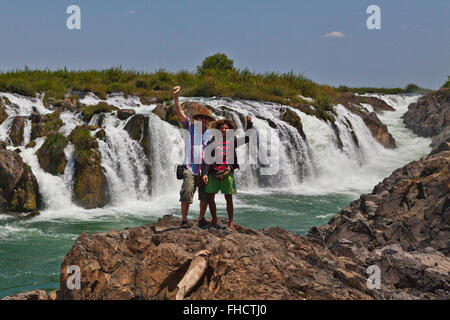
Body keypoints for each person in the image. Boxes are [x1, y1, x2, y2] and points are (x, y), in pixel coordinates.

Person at [173, 85, 215, 228]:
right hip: (190, 168)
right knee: (187, 192)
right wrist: (176, 96)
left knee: (204, 197)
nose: (202, 121)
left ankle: (201, 219)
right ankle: (184, 220)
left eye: (205, 119)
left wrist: (208, 172)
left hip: (203, 170)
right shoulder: (190, 127)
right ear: (196, 119)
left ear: (207, 121)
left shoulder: (210, 134)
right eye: (199, 118)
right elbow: (179, 112)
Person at [201, 116, 253, 229]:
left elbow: (247, 138)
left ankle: (230, 222)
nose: (224, 130)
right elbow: (206, 159)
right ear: (218, 130)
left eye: (226, 128)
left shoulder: (232, 141)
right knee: (210, 198)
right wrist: (204, 173)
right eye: (222, 128)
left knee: (228, 198)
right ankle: (214, 219)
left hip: (227, 172)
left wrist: (249, 123)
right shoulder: (212, 142)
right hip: (213, 172)